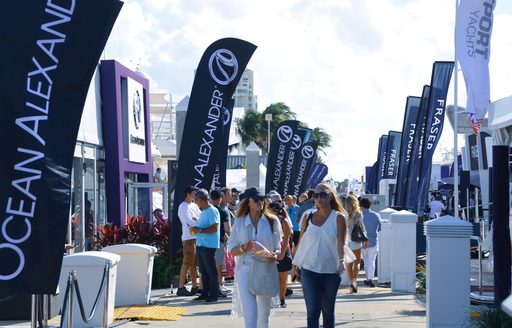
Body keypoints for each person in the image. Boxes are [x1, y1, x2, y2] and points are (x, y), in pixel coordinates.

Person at [291, 183, 347, 328]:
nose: (319, 198)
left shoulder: (339, 218)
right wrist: (295, 265)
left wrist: (342, 260)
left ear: (330, 197)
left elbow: (341, 243)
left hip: (331, 271)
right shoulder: (308, 217)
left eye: (322, 195)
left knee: (328, 312)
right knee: (313, 310)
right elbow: (301, 243)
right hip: (309, 270)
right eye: (316, 196)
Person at [228, 187, 282, 328]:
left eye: (262, 199)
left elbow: (278, 246)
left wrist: (274, 254)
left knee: (264, 316)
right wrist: (245, 248)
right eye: (256, 199)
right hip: (245, 270)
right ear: (247, 202)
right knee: (251, 314)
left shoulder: (273, 221)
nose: (261, 202)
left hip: (265, 270)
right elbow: (232, 250)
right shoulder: (239, 222)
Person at [190, 189, 220, 302]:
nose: (196, 202)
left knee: (210, 271)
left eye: (196, 200)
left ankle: (213, 294)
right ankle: (205, 293)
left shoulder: (212, 210)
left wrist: (199, 229)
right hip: (201, 244)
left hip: (208, 245)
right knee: (203, 271)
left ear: (202, 199)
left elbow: (214, 228)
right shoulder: (204, 211)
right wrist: (196, 229)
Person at [177, 186, 201, 296]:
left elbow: (200, 218)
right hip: (188, 238)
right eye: (194, 193)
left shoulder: (194, 205)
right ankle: (181, 287)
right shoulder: (182, 207)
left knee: (194, 263)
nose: (195, 195)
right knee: (187, 262)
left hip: (196, 237)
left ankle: (194, 287)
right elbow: (189, 222)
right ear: (188, 194)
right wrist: (198, 221)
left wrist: (197, 221)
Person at [268, 201, 293, 308]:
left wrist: (282, 252)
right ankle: (274, 298)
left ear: (275, 210)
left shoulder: (283, 221)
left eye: (269, 209)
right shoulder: (267, 221)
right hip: (271, 251)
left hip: (283, 250)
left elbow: (287, 237)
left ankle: (282, 299)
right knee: (273, 278)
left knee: (282, 278)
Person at [210, 189, 231, 297]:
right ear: (220, 199)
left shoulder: (207, 210)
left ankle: (211, 287)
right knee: (219, 266)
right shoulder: (222, 211)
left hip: (207, 242)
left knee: (210, 266)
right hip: (219, 242)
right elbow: (228, 228)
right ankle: (218, 287)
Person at [345, 194, 367, 294]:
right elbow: (362, 228)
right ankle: (354, 280)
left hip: (346, 241)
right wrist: (365, 239)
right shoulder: (358, 214)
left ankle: (351, 285)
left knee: (349, 264)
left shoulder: (342, 214)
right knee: (357, 262)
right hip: (356, 241)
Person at [359, 198, 381, 288]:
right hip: (373, 241)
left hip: (362, 242)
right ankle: (370, 279)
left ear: (361, 205)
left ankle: (368, 278)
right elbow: (380, 228)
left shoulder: (359, 216)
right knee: (371, 261)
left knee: (366, 260)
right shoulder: (376, 215)